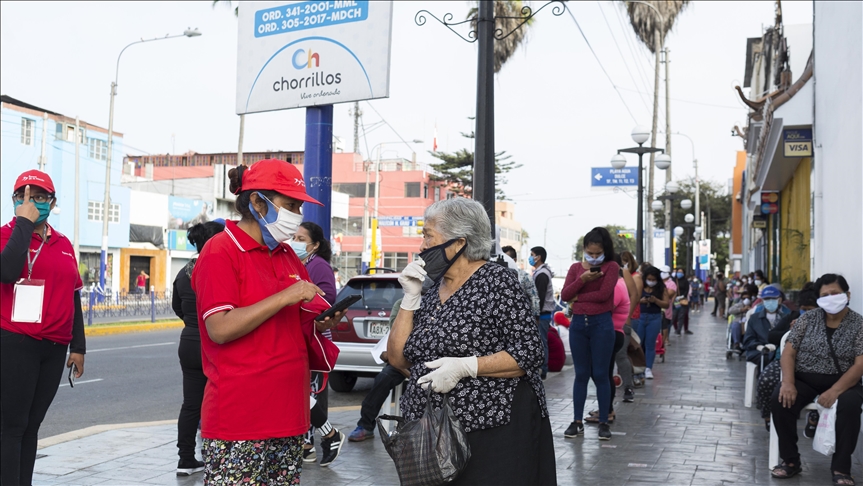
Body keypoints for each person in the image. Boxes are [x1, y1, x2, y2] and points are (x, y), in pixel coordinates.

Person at [191, 160, 346, 483]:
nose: (297, 214)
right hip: (240, 419)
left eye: (299, 207)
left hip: (289, 415)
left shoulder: (287, 255)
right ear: (257, 202)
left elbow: (294, 322)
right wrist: (285, 296)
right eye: (290, 205)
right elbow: (219, 328)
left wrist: (321, 323)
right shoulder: (221, 250)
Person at [388, 197, 556, 485]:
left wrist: (465, 366)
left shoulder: (497, 282)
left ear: (458, 243)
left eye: (428, 236)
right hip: (433, 435)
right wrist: (410, 298)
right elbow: (398, 358)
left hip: (491, 431)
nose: (422, 246)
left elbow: (529, 352)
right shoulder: (432, 290)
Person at [1, 171, 86, 486]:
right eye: (23, 196)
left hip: (54, 346)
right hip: (16, 341)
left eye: (39, 196)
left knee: (32, 425)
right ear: (14, 200)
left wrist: (78, 346)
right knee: (13, 426)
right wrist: (24, 223)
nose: (31, 202)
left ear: (52, 202)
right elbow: (8, 271)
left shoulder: (63, 244)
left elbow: (73, 295)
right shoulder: (6, 235)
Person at [772, 274, 863, 486]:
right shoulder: (807, 319)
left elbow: (860, 365)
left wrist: (835, 391)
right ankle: (790, 460)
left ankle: (841, 468)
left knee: (850, 405)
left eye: (835, 293)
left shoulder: (859, 324)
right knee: (780, 399)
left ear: (847, 295)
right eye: (825, 295)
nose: (830, 298)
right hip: (805, 379)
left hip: (844, 381)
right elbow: (788, 353)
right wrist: (788, 383)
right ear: (819, 299)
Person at [172, 221, 224, 476]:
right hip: (215, 343)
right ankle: (218, 458)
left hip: (189, 341)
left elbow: (177, 306)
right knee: (221, 402)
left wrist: (192, 323)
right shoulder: (219, 268)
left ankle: (185, 459)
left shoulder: (184, 272)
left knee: (191, 405)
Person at [292, 221, 345, 466]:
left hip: (312, 338)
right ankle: (308, 445)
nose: (295, 242)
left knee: (305, 392)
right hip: (300, 335)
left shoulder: (318, 265)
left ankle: (322, 438)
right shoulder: (300, 264)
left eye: (301, 239)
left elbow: (326, 300)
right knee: (301, 392)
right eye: (294, 237)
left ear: (314, 245)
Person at [560, 227, 620, 440]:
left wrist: (578, 298)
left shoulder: (611, 267)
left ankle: (604, 421)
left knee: (601, 374)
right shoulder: (576, 268)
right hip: (578, 325)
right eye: (590, 253)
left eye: (598, 253)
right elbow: (565, 294)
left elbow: (604, 295)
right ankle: (577, 421)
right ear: (584, 249)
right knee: (581, 375)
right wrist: (583, 280)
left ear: (605, 250)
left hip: (601, 325)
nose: (594, 257)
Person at [348, 297, 412, 442]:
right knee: (383, 379)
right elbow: (396, 333)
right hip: (404, 357)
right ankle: (365, 425)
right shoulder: (401, 303)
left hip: (429, 358)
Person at [755, 282, 818, 430]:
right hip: (785, 361)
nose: (806, 313)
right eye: (803, 309)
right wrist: (790, 332)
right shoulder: (792, 317)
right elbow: (771, 336)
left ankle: (814, 419)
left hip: (814, 365)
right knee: (765, 380)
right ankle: (768, 417)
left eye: (810, 310)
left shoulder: (825, 322)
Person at [586, 256, 631, 424]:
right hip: (609, 334)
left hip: (610, 334)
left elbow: (602, 308)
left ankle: (608, 410)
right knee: (602, 373)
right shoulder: (617, 283)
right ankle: (606, 407)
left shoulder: (617, 286)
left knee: (602, 375)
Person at [633, 265, 669, 380]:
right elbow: (634, 299)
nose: (651, 282)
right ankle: (638, 367)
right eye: (649, 279)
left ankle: (648, 368)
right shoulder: (640, 285)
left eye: (653, 280)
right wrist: (641, 301)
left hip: (655, 317)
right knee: (638, 343)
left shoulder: (661, 288)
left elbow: (666, 304)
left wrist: (655, 300)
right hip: (640, 316)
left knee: (650, 344)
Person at [742, 285, 792, 365]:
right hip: (758, 351)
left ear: (779, 300)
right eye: (767, 299)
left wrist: (777, 347)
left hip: (780, 350)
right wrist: (759, 346)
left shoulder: (786, 317)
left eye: (773, 299)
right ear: (762, 301)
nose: (770, 301)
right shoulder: (754, 318)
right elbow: (748, 340)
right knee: (765, 358)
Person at [616, 252, 641, 401]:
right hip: (603, 322)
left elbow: (634, 295)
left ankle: (628, 387)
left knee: (621, 355)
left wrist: (628, 315)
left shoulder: (622, 272)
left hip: (622, 322)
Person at [530, 245, 555, 380]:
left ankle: (543, 368)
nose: (530, 257)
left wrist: (536, 315)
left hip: (542, 314)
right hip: (542, 313)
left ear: (538, 257)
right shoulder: (540, 272)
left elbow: (540, 296)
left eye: (532, 255)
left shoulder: (542, 274)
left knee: (541, 341)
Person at [503, 245, 540, 318]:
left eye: (507, 259)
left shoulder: (525, 276)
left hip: (521, 317)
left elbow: (534, 297)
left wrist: (536, 316)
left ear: (514, 260)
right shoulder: (496, 276)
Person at [659, 265, 677, 354]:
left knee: (665, 324)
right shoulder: (657, 281)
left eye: (664, 272)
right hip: (657, 308)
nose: (662, 274)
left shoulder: (672, 284)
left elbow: (669, 294)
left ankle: (665, 340)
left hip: (666, 308)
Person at [672, 268, 691, 335]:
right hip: (676, 301)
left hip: (683, 300)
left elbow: (686, 290)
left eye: (681, 272)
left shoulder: (685, 281)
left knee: (681, 315)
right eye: (678, 272)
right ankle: (675, 328)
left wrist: (682, 296)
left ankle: (679, 330)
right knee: (675, 314)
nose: (679, 273)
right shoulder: (674, 280)